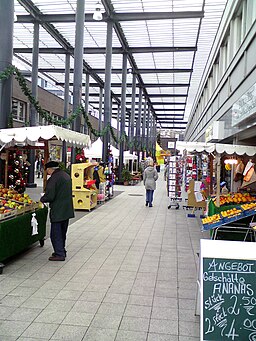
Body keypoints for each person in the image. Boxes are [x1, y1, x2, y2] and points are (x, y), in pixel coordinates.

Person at [40, 161, 74, 261]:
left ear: (50, 169)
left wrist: (42, 199)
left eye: (47, 170)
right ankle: (62, 250)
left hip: (58, 210)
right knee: (62, 232)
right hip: (67, 209)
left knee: (56, 233)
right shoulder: (65, 175)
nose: (47, 172)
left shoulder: (54, 178)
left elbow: (50, 195)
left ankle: (59, 254)